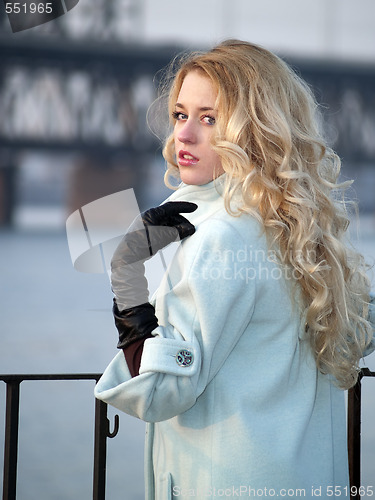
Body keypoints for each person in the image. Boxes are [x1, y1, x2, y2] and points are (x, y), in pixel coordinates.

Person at [94, 40, 375, 499]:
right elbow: (360, 329)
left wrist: (126, 273)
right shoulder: (296, 229)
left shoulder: (222, 237)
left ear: (256, 130)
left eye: (210, 119)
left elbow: (160, 392)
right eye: (181, 115)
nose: (183, 135)